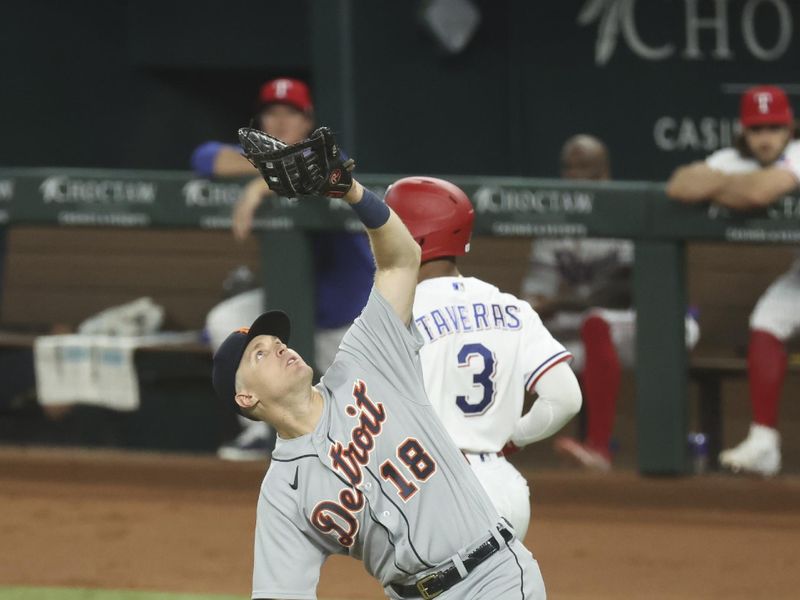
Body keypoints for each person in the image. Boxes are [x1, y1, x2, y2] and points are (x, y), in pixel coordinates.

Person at [212, 171, 546, 598]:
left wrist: (349, 191)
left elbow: (401, 260)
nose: (278, 348)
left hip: (492, 579)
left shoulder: (366, 359)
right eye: (260, 353)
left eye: (277, 341)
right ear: (247, 397)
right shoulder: (283, 493)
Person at [385, 177, 582, 540]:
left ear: (412, 237)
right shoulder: (512, 307)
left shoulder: (395, 314)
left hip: (434, 488)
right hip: (505, 486)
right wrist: (513, 437)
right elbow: (565, 398)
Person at [192, 77, 374, 460]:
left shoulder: (329, 156)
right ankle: (260, 431)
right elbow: (205, 157)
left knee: (365, 408)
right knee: (227, 321)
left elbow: (316, 168)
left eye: (290, 113)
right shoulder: (260, 156)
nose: (279, 122)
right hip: (291, 304)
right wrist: (265, 169)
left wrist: (262, 184)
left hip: (345, 315)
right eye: (272, 113)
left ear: (307, 120)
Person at [523, 135, 699, 471]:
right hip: (582, 334)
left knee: (597, 321)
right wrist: (565, 302)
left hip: (648, 328)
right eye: (568, 168)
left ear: (604, 171)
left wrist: (563, 300)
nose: (574, 175)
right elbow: (535, 300)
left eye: (584, 168)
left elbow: (626, 290)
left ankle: (599, 448)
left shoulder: (626, 209)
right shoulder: (554, 225)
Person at [667, 84, 800, 477]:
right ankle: (763, 442)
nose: (766, 138)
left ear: (790, 127)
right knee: (767, 323)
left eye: (775, 128)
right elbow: (680, 185)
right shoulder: (732, 159)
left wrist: (720, 188)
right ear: (744, 131)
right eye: (758, 129)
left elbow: (762, 192)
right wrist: (735, 187)